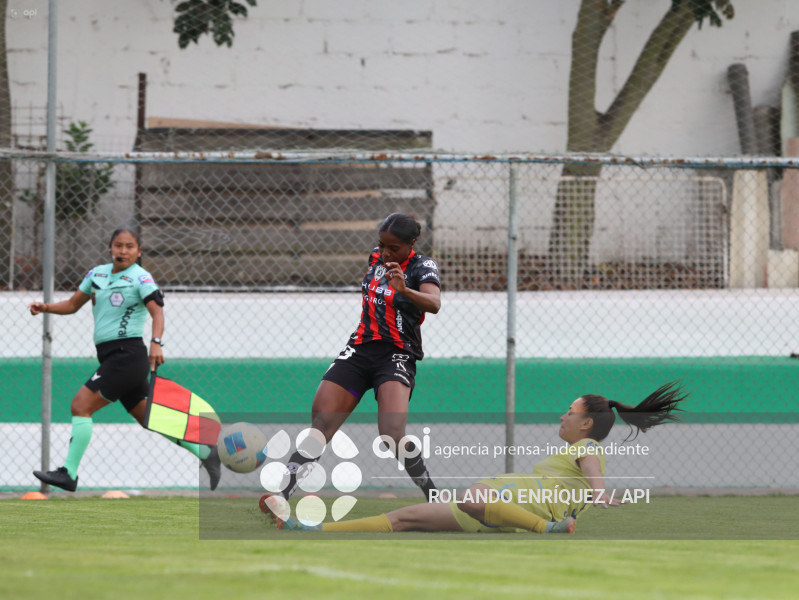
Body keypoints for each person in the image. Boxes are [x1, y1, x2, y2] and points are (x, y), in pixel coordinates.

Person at [263, 382, 687, 534]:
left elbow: (592, 467)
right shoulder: (578, 446)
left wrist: (599, 493)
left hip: (528, 503)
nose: (563, 414)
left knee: (470, 496)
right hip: (510, 507)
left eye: (570, 412)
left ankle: (549, 529)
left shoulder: (587, 447)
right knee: (405, 517)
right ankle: (311, 528)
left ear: (586, 425)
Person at [28, 227, 221, 492]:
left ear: (139, 252)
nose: (123, 251)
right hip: (113, 356)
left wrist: (156, 343)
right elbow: (73, 305)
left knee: (80, 406)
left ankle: (68, 473)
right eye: (119, 245)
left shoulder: (141, 278)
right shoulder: (96, 274)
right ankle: (206, 453)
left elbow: (158, 313)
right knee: (148, 417)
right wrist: (46, 307)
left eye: (130, 246)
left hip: (127, 356)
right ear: (111, 248)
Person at [275, 213, 442, 502]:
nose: (386, 253)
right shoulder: (375, 258)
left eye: (394, 248)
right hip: (359, 350)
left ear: (411, 244)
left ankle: (434, 495)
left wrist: (404, 289)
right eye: (383, 245)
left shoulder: (421, 266)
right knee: (322, 422)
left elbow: (434, 303)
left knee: (391, 433)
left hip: (396, 354)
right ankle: (281, 494)